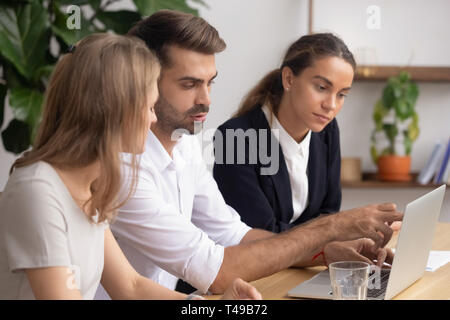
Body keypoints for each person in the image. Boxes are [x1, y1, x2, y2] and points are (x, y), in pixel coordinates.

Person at [98, 10, 402, 297]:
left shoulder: (186, 145)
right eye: (189, 84)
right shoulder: (123, 167)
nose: (205, 100)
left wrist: (324, 251)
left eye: (210, 82)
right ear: (143, 83)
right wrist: (332, 228)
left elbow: (233, 233)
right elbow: (214, 269)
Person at [0, 33, 261, 300]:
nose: (153, 118)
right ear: (115, 112)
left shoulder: (91, 186)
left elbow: (131, 286)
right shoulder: (38, 192)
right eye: (149, 107)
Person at [212, 33, 352, 232]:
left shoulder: (327, 130)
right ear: (288, 79)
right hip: (258, 261)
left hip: (310, 263)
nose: (331, 105)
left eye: (341, 94)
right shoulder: (235, 138)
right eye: (321, 87)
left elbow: (329, 213)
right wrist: (325, 238)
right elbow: (259, 232)